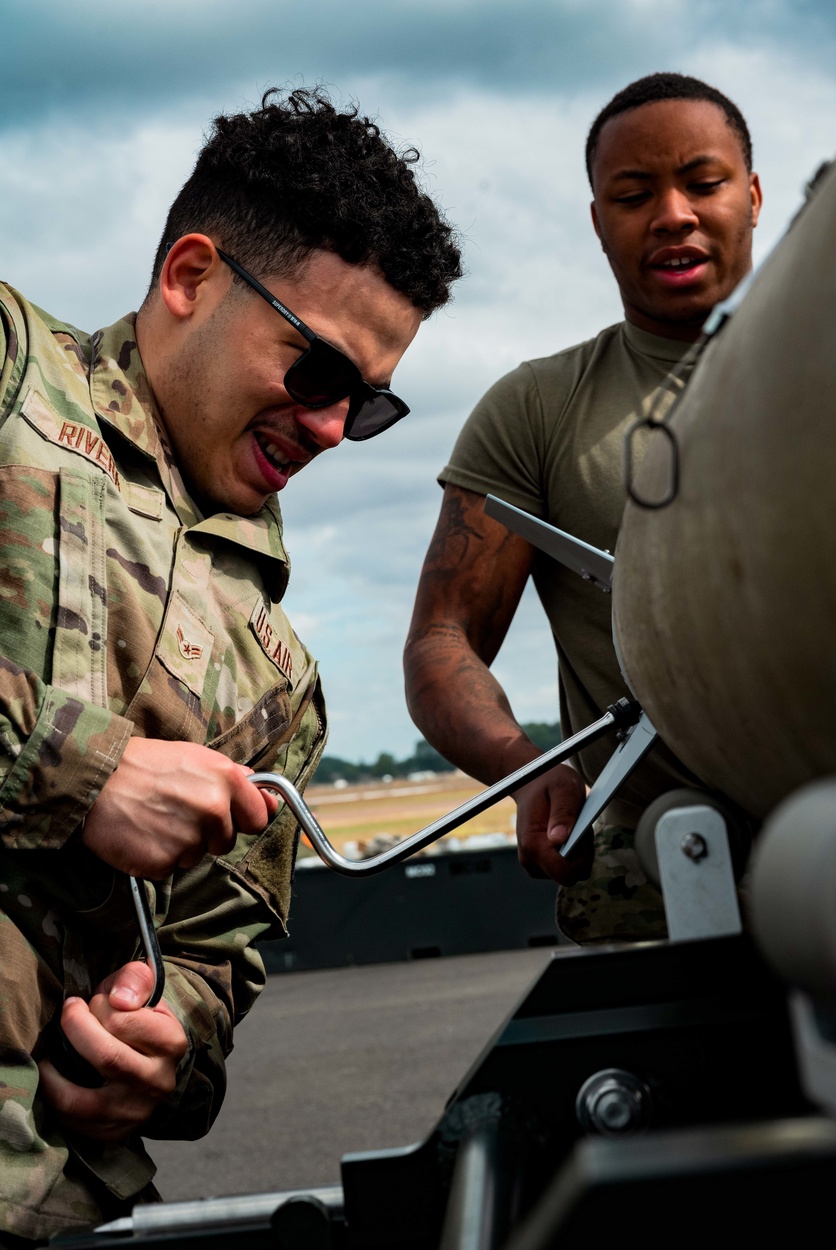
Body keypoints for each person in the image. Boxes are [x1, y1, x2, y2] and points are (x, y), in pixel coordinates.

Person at [0, 87, 461, 1244]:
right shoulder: (10, 376)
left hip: (57, 1205)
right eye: (315, 373)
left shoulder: (280, 675)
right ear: (191, 276)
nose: (326, 430)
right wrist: (79, 771)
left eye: (365, 406)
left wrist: (168, 1048)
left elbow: (215, 956)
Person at [404, 73, 761, 946]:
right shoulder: (536, 409)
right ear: (599, 221)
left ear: (752, 196)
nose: (672, 214)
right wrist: (526, 770)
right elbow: (440, 641)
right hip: (662, 858)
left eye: (703, 183)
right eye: (634, 195)